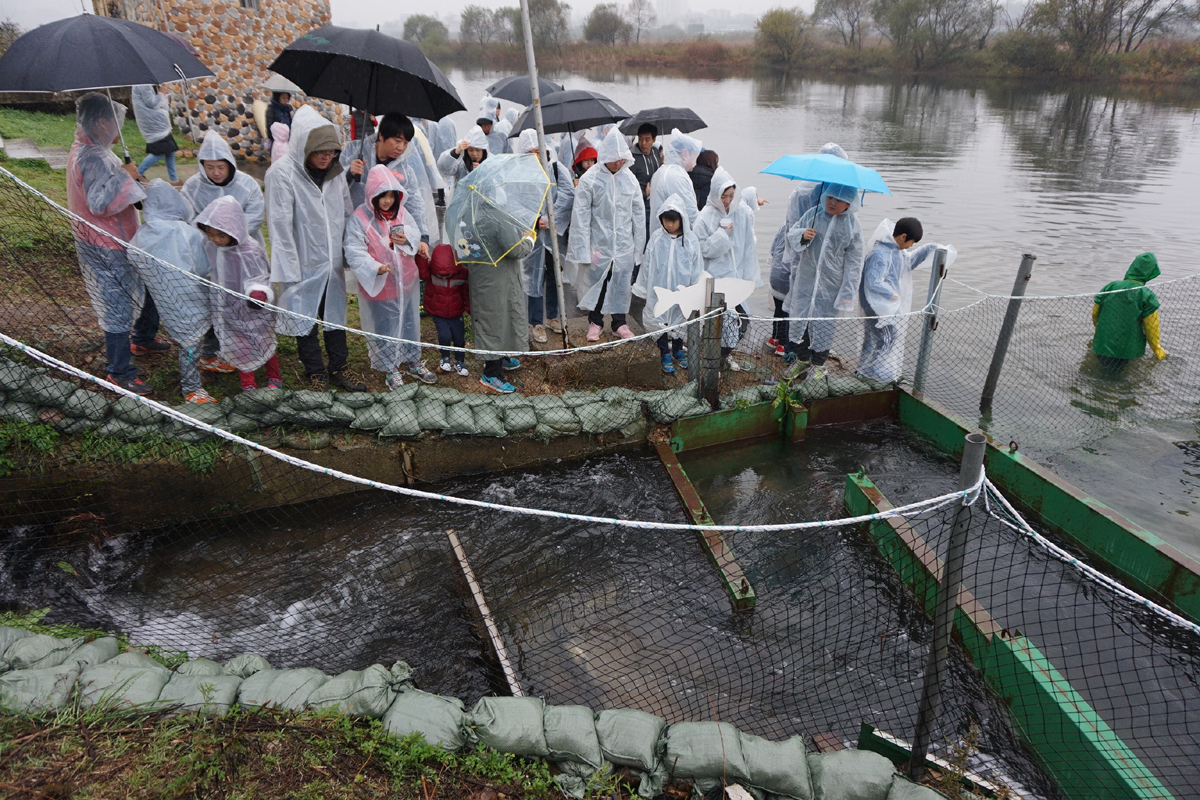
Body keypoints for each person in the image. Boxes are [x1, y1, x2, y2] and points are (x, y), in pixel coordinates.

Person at [66, 92, 161, 395]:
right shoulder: (90, 156)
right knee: (117, 306)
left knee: (147, 285)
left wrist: (130, 179)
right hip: (105, 244)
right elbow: (98, 203)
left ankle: (143, 338)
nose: (119, 128)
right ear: (103, 121)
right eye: (117, 121)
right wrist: (124, 176)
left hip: (120, 238)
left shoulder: (95, 149)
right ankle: (119, 371)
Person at [265, 105, 364, 392]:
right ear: (303, 145)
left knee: (335, 315)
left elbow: (344, 213)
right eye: (320, 151)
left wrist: (348, 253)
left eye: (332, 150)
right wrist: (290, 268)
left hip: (330, 261)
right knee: (304, 317)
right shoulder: (281, 175)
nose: (326, 156)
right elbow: (280, 226)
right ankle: (315, 371)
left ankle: (339, 366)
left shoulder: (334, 173)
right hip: (302, 261)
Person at [343, 165, 437, 390]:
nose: (387, 201)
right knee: (385, 328)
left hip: (405, 283)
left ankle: (413, 361)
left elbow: (413, 234)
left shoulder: (401, 213)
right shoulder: (361, 218)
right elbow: (354, 250)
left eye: (391, 195)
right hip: (380, 285)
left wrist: (410, 241)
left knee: (410, 323)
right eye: (381, 195)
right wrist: (375, 267)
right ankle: (390, 368)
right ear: (372, 195)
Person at [128, 180, 215, 403]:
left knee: (188, 339)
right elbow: (204, 267)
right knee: (192, 341)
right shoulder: (190, 233)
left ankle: (204, 362)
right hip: (193, 296)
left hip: (164, 298)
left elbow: (134, 259)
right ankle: (191, 388)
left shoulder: (141, 235)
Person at [769, 142, 848, 357]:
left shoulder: (826, 192)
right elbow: (794, 230)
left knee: (814, 308)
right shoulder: (808, 193)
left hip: (817, 264)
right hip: (804, 259)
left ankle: (811, 351)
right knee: (801, 306)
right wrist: (804, 239)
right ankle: (798, 350)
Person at [568, 128, 646, 342]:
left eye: (622, 159)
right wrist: (583, 249)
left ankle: (619, 322)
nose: (619, 163)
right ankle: (595, 321)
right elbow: (581, 218)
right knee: (598, 283)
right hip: (598, 244)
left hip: (623, 245)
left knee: (621, 283)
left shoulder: (629, 180)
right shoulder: (590, 180)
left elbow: (638, 215)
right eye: (615, 159)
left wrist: (639, 247)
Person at [195, 196, 280, 392]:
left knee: (263, 341)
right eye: (211, 234)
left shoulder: (249, 250)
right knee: (239, 344)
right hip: (226, 307)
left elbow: (261, 275)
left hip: (252, 308)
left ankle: (273, 374)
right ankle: (248, 382)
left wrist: (258, 292)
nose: (215, 239)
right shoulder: (212, 247)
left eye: (220, 235)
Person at [783, 182, 864, 382]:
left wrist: (847, 293)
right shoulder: (813, 214)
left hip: (831, 286)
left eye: (839, 200)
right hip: (806, 280)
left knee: (825, 325)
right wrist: (803, 236)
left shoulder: (852, 226)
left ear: (849, 203)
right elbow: (792, 233)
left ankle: (818, 364)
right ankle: (802, 360)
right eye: (830, 198)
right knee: (801, 319)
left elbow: (855, 263)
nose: (832, 203)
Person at [461, 191, 537, 394]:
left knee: (493, 318)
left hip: (481, 276)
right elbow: (516, 250)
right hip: (498, 280)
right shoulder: (498, 218)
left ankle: (502, 357)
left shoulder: (470, 215)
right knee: (496, 320)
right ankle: (491, 373)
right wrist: (529, 239)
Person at [856, 217, 939, 383]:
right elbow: (873, 281)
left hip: (881, 304)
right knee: (888, 337)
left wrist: (927, 250)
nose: (910, 247)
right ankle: (872, 370)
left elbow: (908, 264)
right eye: (911, 243)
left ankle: (863, 369)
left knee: (872, 337)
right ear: (903, 237)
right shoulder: (880, 253)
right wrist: (890, 294)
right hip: (874, 304)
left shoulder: (896, 251)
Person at [692, 167, 759, 370]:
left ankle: (724, 355)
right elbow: (701, 249)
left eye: (730, 196)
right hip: (716, 279)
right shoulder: (705, 218)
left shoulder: (740, 213)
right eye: (723, 196)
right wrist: (722, 235)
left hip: (736, 278)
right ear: (715, 194)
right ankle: (713, 359)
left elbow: (747, 247)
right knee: (717, 321)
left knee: (741, 320)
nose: (727, 201)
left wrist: (748, 276)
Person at [341, 114, 432, 261]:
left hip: (386, 236)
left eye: (406, 143)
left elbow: (414, 202)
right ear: (381, 136)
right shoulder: (354, 152)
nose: (401, 147)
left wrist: (422, 237)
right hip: (357, 231)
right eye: (397, 141)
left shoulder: (404, 170)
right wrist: (349, 173)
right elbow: (331, 189)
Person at [633, 194, 703, 374]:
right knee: (659, 318)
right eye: (666, 220)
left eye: (674, 221)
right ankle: (664, 351)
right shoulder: (657, 238)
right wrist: (642, 288)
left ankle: (678, 350)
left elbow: (697, 266)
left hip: (681, 290)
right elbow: (647, 264)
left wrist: (695, 289)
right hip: (659, 288)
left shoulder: (690, 240)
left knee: (680, 320)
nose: (670, 225)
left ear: (682, 219)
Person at [517, 129, 574, 343]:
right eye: (531, 152)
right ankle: (536, 323)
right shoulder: (520, 176)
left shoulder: (556, 169)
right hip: (532, 236)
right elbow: (516, 206)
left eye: (538, 150)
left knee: (554, 275)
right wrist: (535, 221)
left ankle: (552, 316)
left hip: (553, 236)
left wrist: (552, 217)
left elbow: (568, 195)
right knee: (534, 277)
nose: (536, 156)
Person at [1091, 252, 1168, 373]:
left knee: (1103, 371)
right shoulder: (1146, 295)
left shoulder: (1111, 286)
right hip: (1125, 350)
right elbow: (1151, 327)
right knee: (1116, 377)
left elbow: (1095, 313)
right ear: (1151, 272)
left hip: (1101, 344)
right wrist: (1157, 349)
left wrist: (1100, 332)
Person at [418, 243, 470, 376]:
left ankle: (460, 361)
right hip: (438, 311)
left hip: (456, 311)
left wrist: (468, 307)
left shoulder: (462, 273)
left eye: (447, 275)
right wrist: (422, 258)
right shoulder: (430, 271)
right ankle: (445, 358)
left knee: (459, 338)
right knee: (444, 336)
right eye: (440, 275)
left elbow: (466, 292)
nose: (443, 278)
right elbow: (422, 273)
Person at [649, 130, 700, 227]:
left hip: (659, 234)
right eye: (693, 155)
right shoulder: (677, 177)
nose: (694, 160)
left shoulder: (660, 172)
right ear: (684, 153)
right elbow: (690, 214)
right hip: (674, 238)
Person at [132, 84, 178, 183]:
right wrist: (161, 92)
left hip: (158, 124)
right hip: (154, 125)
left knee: (170, 150)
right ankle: (138, 173)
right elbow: (151, 103)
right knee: (160, 151)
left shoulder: (147, 83)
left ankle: (174, 179)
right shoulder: (143, 84)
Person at [629, 123, 662, 242]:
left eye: (647, 139)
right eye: (640, 138)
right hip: (641, 209)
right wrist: (645, 193)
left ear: (654, 139)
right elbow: (627, 188)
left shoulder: (655, 153)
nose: (643, 143)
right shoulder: (631, 158)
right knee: (644, 244)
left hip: (656, 205)